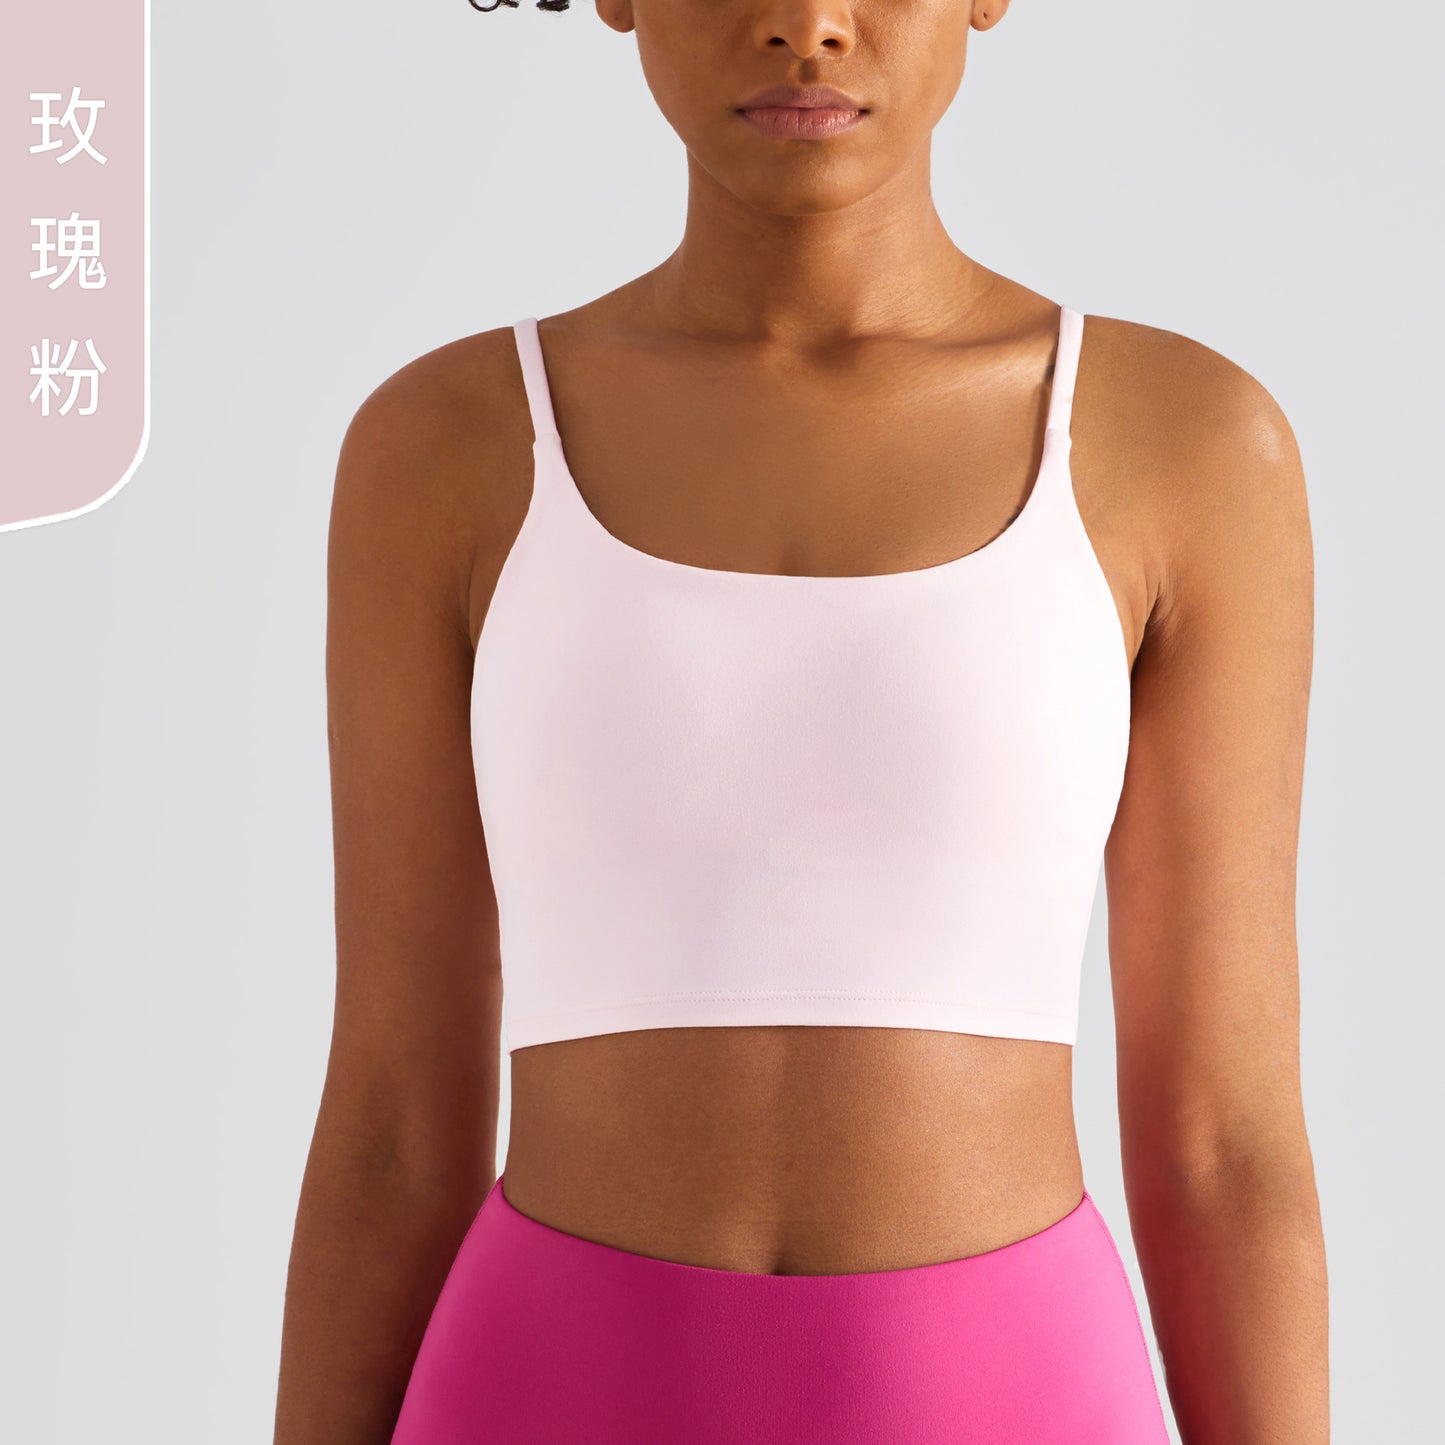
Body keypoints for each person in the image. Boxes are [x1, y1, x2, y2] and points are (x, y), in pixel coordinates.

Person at [274, 2, 1329, 1441]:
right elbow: (395, 1127)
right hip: (544, 1387)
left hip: (1007, 1397)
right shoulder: (443, 445)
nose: (805, 24)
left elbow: (1224, 1140)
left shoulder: (1185, 444)